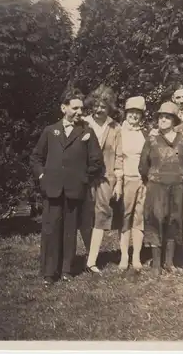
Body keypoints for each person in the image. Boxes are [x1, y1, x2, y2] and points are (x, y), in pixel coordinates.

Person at [30, 88, 104, 285]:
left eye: (81, 108)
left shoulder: (87, 132)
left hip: (74, 189)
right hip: (52, 188)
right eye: (75, 108)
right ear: (64, 108)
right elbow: (36, 157)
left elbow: (97, 162)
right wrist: (42, 175)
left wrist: (82, 178)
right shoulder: (50, 131)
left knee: (70, 230)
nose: (79, 111)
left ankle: (66, 270)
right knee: (51, 229)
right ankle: (48, 272)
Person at [139, 102, 183, 276]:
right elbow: (142, 166)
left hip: (178, 186)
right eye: (161, 117)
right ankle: (156, 264)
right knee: (155, 220)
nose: (163, 120)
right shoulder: (151, 139)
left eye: (167, 117)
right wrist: (152, 179)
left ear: (174, 120)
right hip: (157, 186)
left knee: (174, 221)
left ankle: (169, 262)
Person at [83, 84, 124, 274]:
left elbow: (118, 156)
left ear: (110, 108)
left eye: (104, 107)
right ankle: (80, 254)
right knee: (83, 216)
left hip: (106, 179)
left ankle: (92, 260)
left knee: (101, 217)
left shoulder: (115, 127)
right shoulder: (83, 123)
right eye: (97, 105)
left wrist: (119, 181)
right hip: (82, 177)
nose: (99, 109)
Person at [119, 96, 149, 271]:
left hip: (142, 180)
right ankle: (124, 256)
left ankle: (136, 256)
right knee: (125, 218)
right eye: (131, 112)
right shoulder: (119, 132)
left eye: (138, 113)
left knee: (139, 218)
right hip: (126, 179)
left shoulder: (145, 133)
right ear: (126, 113)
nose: (134, 116)